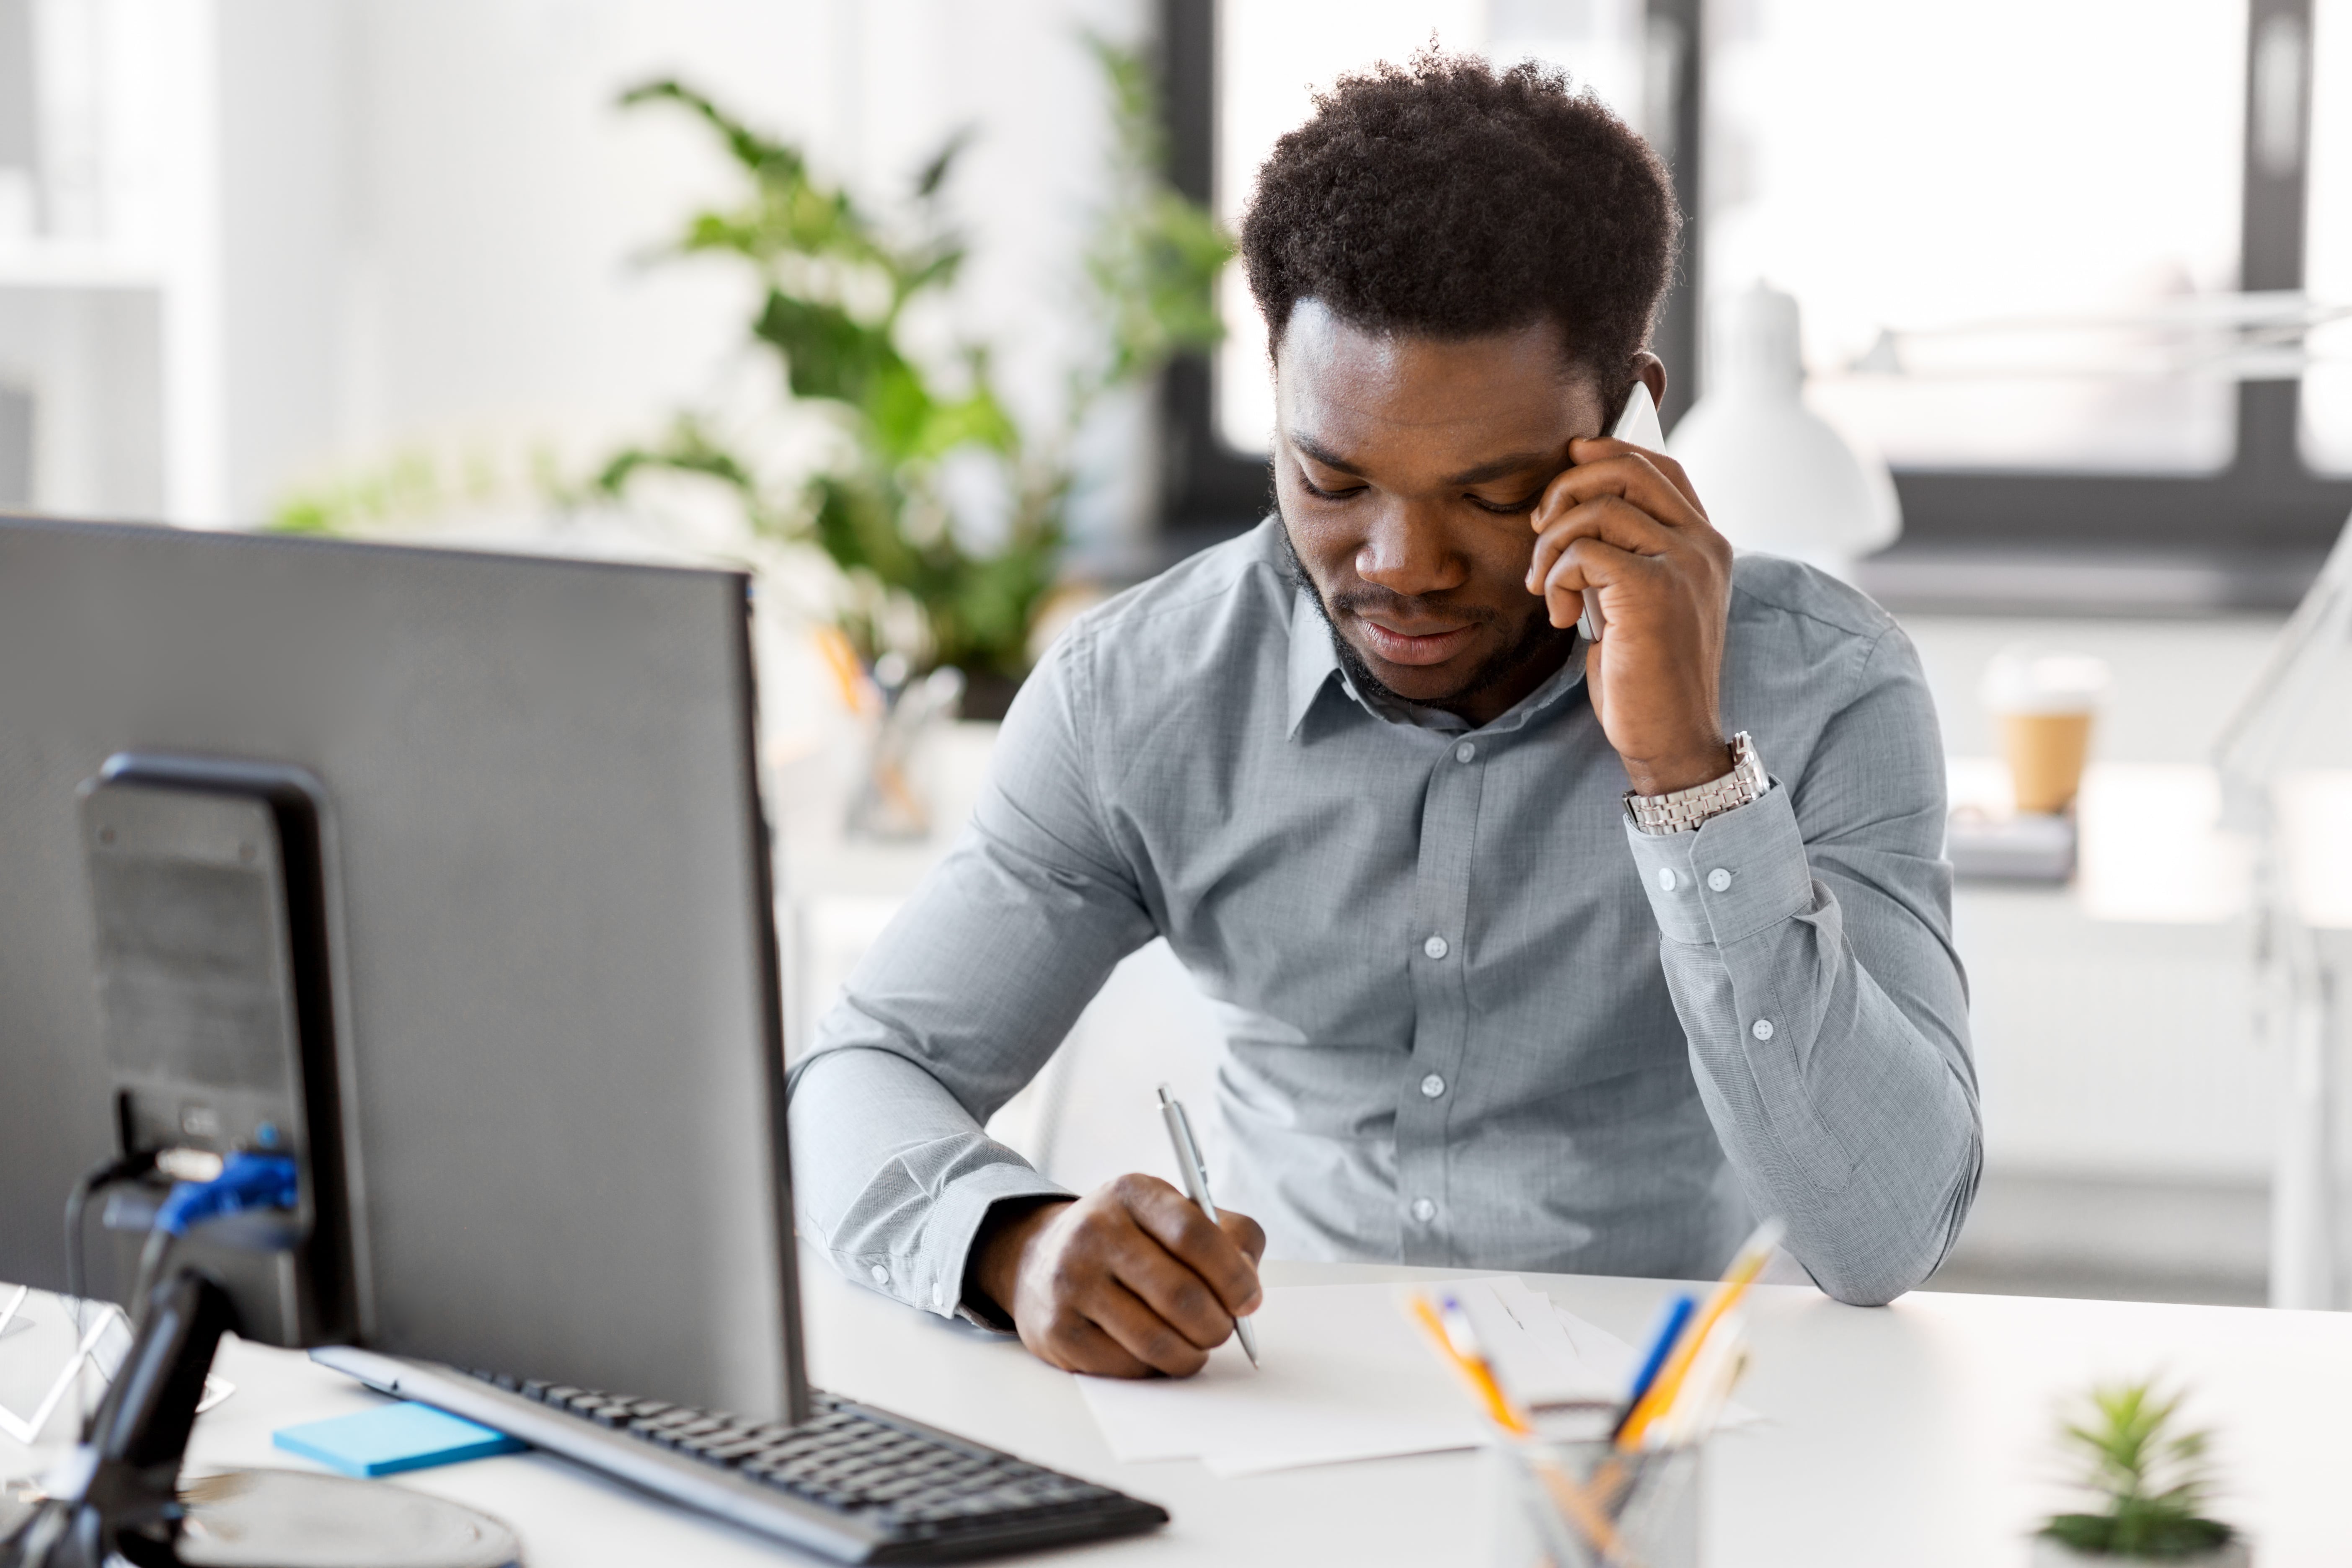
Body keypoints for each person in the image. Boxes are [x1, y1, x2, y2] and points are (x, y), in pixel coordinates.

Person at [787, 52, 1978, 1379]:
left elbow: (1883, 1240)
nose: (1401, 562)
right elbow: (858, 1074)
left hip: (1673, 1432)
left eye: (1491, 491)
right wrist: (1008, 1243)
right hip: (1278, 1407)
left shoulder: (1825, 686)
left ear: (1629, 416)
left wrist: (1687, 773)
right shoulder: (1141, 692)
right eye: (1332, 476)